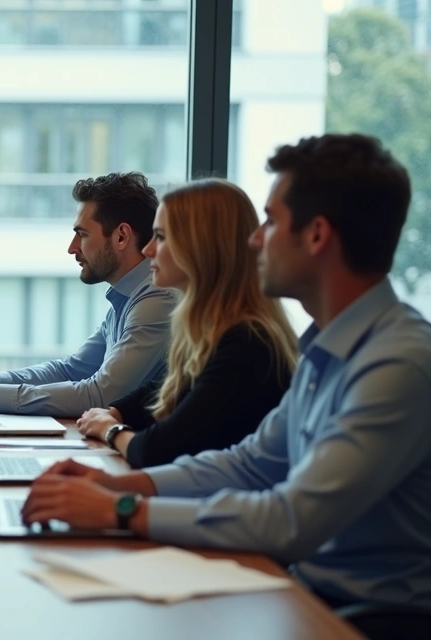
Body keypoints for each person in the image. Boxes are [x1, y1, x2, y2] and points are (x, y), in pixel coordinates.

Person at [22, 134, 431, 609]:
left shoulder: (396, 363)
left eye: (271, 222)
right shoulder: (326, 347)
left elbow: (289, 520)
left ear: (317, 235)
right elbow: (251, 463)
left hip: (365, 618)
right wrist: (117, 483)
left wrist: (123, 508)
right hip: (305, 593)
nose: (254, 240)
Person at [74, 179, 298, 467]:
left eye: (162, 237)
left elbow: (159, 448)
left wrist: (110, 429)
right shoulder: (211, 330)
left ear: (202, 249)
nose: (148, 250)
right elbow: (170, 387)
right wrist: (117, 412)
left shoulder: (247, 343)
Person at [0, 172, 176, 417]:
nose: (72, 248)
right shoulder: (127, 295)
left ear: (121, 236)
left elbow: (101, 395)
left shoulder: (157, 298)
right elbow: (71, 370)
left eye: (82, 234)